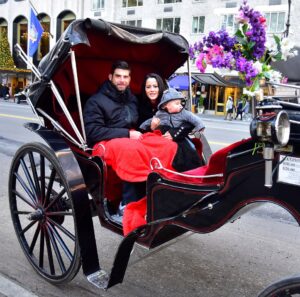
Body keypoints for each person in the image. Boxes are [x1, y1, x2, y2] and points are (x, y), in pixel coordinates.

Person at [83, 60, 144, 220]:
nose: (122, 80)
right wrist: (127, 134)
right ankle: (126, 203)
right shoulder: (96, 101)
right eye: (118, 76)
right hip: (102, 143)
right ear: (110, 77)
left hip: (127, 138)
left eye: (126, 76)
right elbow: (94, 132)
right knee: (128, 149)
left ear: (130, 79)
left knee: (155, 143)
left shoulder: (132, 99)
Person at [139, 88, 205, 172]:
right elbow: (151, 121)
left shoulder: (183, 113)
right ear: (165, 105)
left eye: (180, 103)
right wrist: (142, 127)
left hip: (181, 138)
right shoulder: (160, 114)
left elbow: (194, 119)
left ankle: (193, 168)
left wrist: (200, 126)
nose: (180, 105)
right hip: (164, 136)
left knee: (191, 148)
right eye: (177, 103)